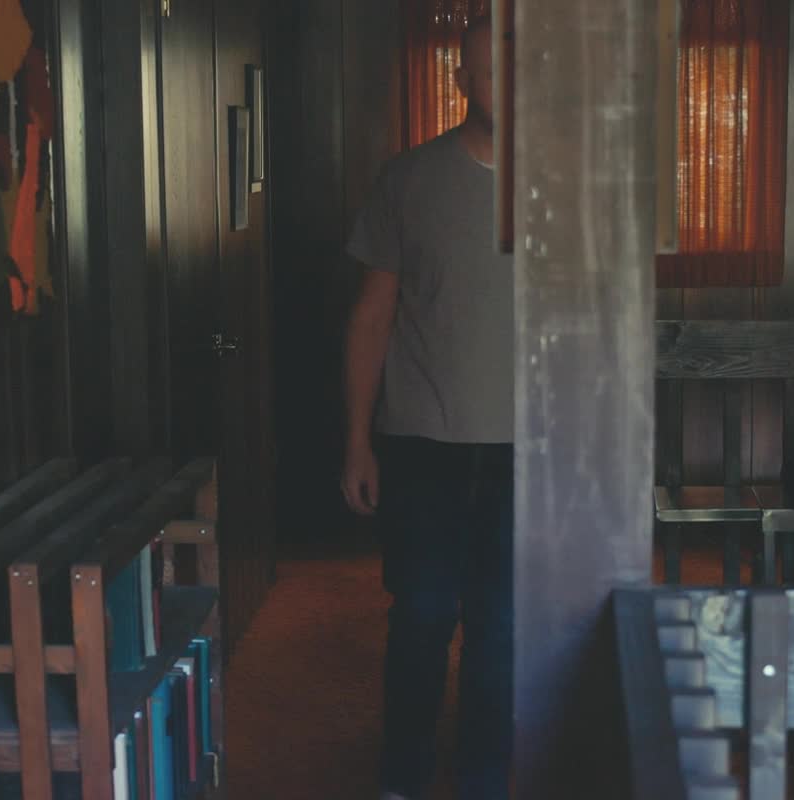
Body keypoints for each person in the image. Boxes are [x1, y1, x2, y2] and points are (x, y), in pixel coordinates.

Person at [339, 13, 513, 800]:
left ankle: (483, 780)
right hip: (421, 443)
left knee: (502, 628)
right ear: (461, 79)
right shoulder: (408, 180)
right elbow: (372, 317)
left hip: (527, 449)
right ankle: (403, 778)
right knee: (421, 617)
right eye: (489, 69)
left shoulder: (568, 187)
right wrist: (357, 440)